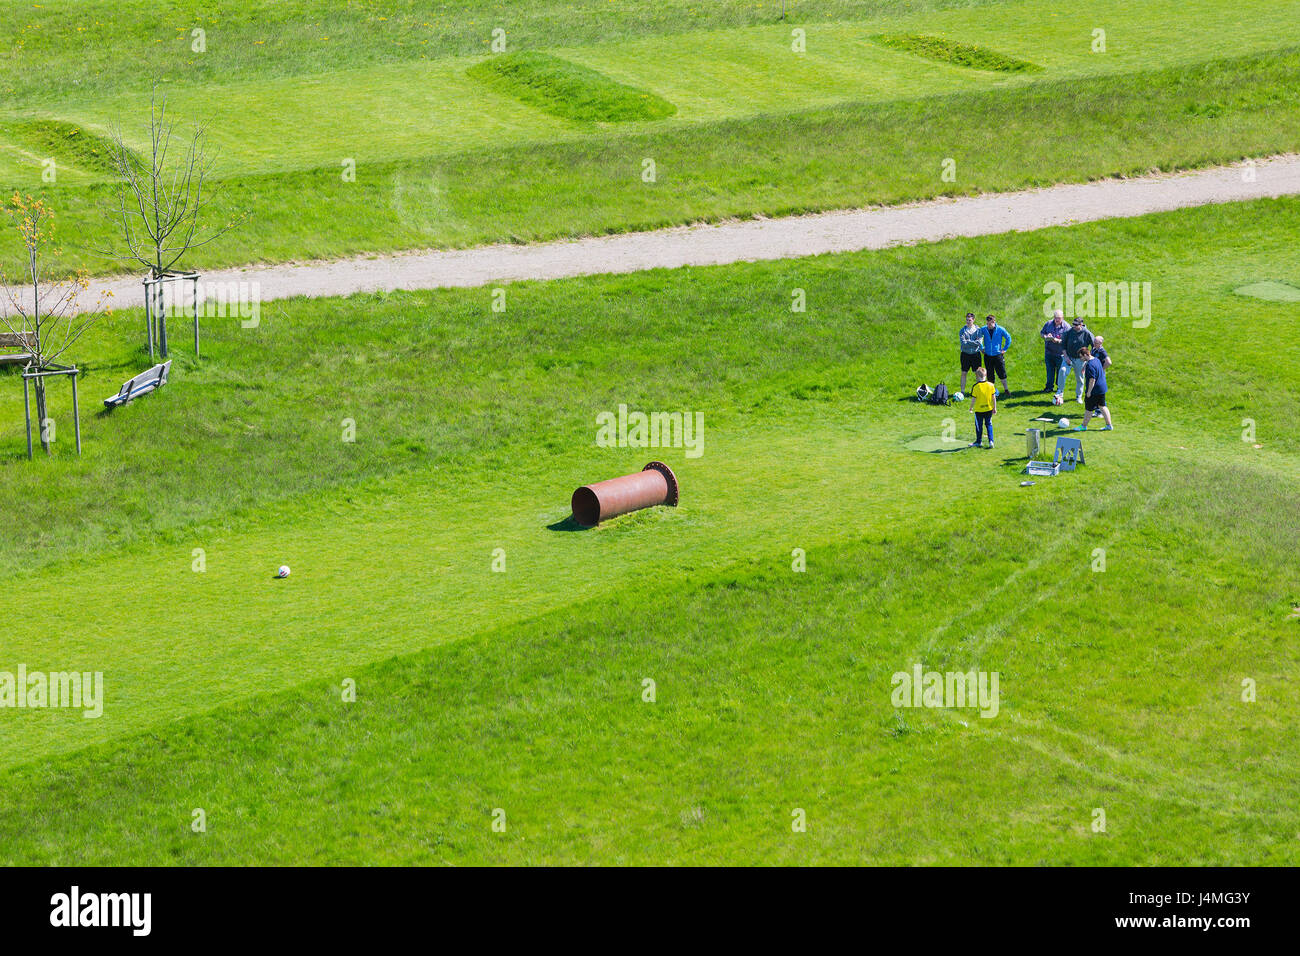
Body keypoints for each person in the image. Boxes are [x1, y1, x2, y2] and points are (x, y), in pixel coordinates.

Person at [1075, 344, 1112, 431]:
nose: (1080, 359)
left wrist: (1089, 392)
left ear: (1085, 355)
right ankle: (1109, 425)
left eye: (1081, 357)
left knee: (1089, 409)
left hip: (1094, 390)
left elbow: (1092, 380)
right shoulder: (1096, 359)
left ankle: (1083, 426)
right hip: (1102, 388)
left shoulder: (1090, 365)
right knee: (1102, 406)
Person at [1059, 317, 1094, 405]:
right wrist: (1066, 357)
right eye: (1073, 324)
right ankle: (1060, 393)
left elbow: (1094, 346)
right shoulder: (1068, 332)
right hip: (1069, 357)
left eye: (1076, 325)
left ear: (1081, 325)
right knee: (1062, 371)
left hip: (1080, 360)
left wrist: (1088, 359)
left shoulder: (1087, 333)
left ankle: (1078, 396)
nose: (1074, 326)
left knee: (1080, 378)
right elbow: (1063, 346)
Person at [979, 314, 1012, 398]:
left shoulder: (1000, 329)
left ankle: (1006, 389)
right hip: (987, 356)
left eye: (990, 324)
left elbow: (1008, 338)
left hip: (998, 355)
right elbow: (978, 338)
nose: (988, 325)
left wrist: (1004, 349)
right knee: (990, 374)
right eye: (987, 323)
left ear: (994, 322)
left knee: (1002, 373)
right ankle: (991, 391)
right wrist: (981, 348)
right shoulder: (983, 329)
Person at [1040, 309, 1068, 394]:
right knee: (1050, 371)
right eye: (1055, 318)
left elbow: (1068, 340)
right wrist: (1046, 336)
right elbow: (1042, 333)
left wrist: (1059, 341)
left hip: (1060, 354)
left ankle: (1059, 387)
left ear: (1062, 318)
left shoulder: (1066, 327)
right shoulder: (1048, 324)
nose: (1057, 320)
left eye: (1059, 318)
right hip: (1049, 352)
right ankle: (1049, 387)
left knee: (1060, 372)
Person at [969, 367, 997, 448]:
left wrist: (971, 408)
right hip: (989, 409)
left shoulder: (976, 387)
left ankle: (978, 442)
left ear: (977, 376)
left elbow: (973, 399)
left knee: (979, 426)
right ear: (986, 375)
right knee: (989, 425)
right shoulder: (991, 385)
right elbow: (994, 398)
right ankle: (991, 441)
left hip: (979, 410)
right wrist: (995, 408)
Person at [958, 312, 983, 392]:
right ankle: (962, 391)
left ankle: (978, 391)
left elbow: (979, 342)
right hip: (965, 354)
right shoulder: (962, 331)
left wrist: (968, 341)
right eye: (967, 320)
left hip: (976, 354)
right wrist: (973, 342)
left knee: (978, 373)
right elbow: (963, 344)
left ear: (973, 320)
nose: (968, 321)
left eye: (970, 320)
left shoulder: (978, 330)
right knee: (964, 373)